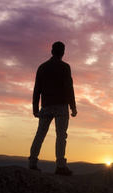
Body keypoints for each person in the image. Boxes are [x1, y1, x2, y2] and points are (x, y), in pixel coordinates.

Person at [28, 41, 77, 175]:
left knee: (40, 134)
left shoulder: (42, 67)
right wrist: (73, 107)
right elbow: (69, 87)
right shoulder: (65, 67)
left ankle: (32, 163)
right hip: (61, 105)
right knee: (61, 136)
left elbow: (37, 88)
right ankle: (60, 166)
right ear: (63, 52)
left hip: (46, 105)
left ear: (51, 52)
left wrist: (35, 107)